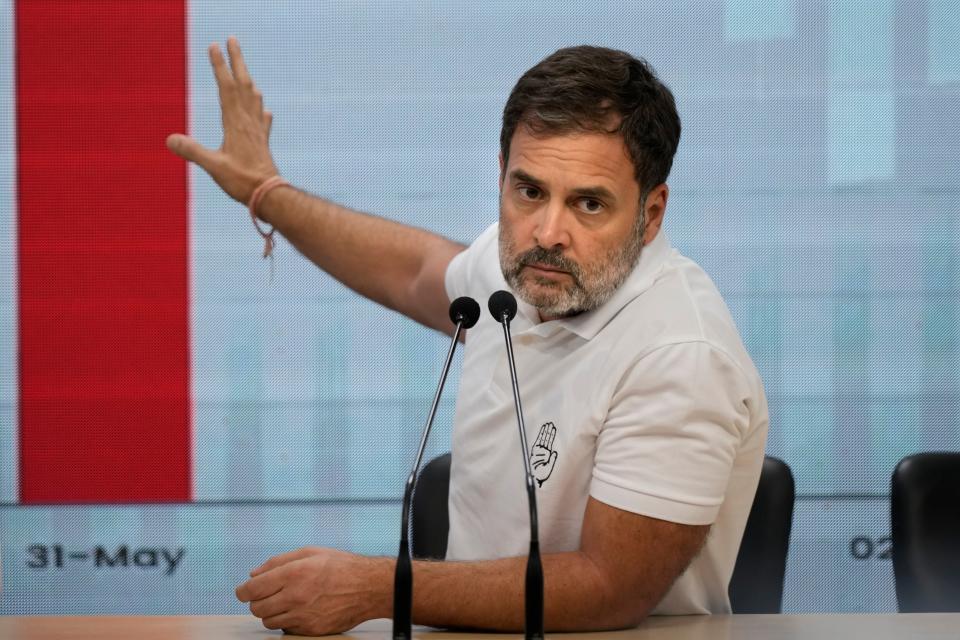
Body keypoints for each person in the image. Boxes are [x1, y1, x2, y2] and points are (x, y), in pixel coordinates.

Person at [166, 38, 768, 636]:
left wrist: (380, 588)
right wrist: (266, 193)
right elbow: (415, 272)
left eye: (589, 204)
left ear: (652, 212)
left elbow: (608, 589)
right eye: (529, 191)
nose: (548, 230)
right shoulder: (532, 269)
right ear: (502, 175)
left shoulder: (682, 354)